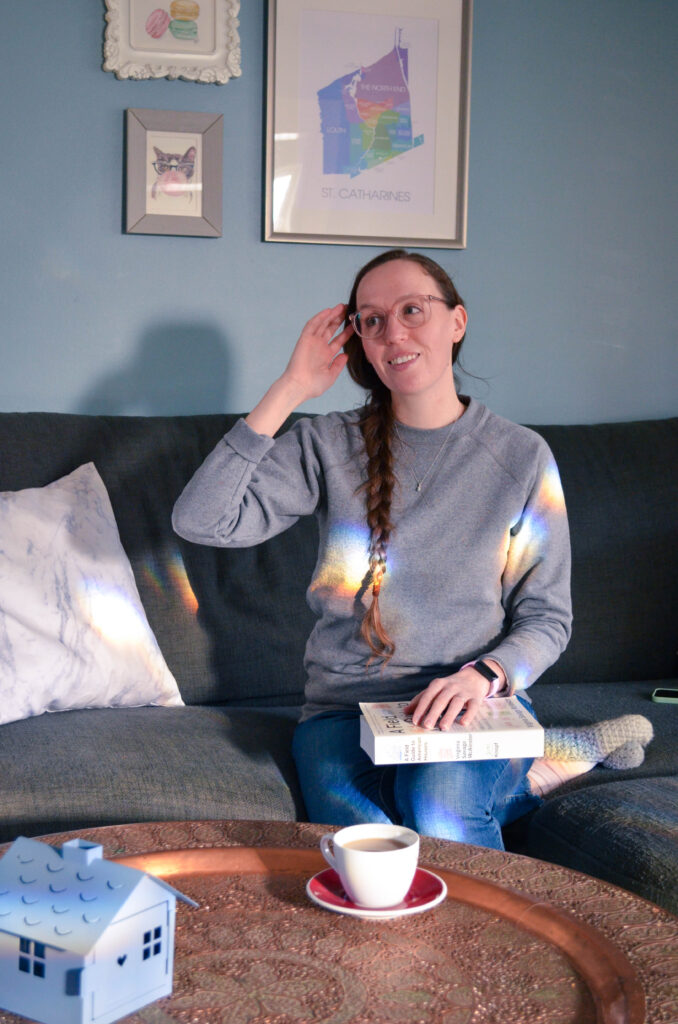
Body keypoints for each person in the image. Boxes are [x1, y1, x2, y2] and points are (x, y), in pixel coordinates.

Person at [173, 249, 652, 849]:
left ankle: (489, 933)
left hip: (471, 696)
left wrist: (483, 675)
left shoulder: (522, 457)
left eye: (412, 310)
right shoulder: (326, 442)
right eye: (372, 320)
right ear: (360, 343)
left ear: (457, 322)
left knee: (438, 810)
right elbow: (202, 521)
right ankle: (544, 768)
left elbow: (547, 617)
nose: (393, 332)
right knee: (366, 844)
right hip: (344, 710)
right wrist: (290, 387)